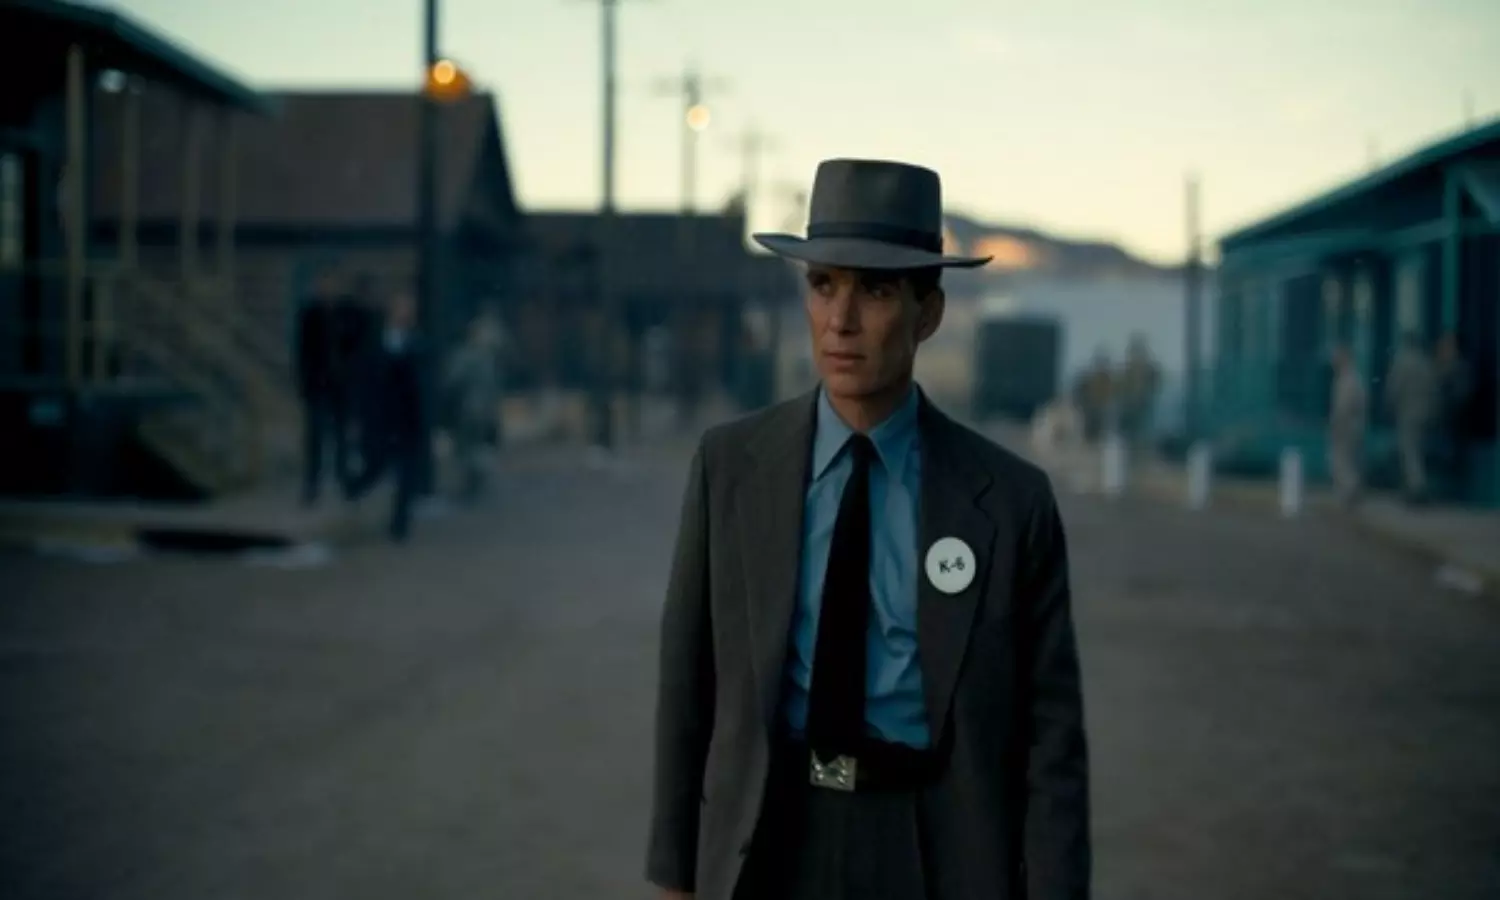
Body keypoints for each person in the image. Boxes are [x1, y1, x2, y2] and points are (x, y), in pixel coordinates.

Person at [646, 159, 1090, 900]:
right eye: (824, 285)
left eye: (876, 290)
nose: (841, 320)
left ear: (928, 313)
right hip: (767, 837)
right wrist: (675, 877)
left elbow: (1052, 741)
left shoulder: (1011, 502)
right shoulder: (731, 467)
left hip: (933, 846)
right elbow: (687, 682)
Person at [346, 291, 427, 542]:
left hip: (407, 420)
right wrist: (360, 416)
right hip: (380, 419)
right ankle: (353, 489)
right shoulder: (375, 343)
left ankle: (399, 525)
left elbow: (421, 385)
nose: (406, 314)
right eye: (402, 309)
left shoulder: (417, 343)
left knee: (407, 475)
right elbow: (363, 382)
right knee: (376, 465)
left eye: (409, 310)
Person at [294, 268, 352, 507]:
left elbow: (353, 347)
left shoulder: (345, 312)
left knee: (341, 435)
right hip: (317, 384)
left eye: (331, 284)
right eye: (323, 284)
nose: (327, 288)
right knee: (315, 436)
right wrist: (305, 381)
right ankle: (312, 483)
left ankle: (344, 479)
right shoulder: (310, 314)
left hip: (340, 385)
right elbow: (303, 352)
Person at [442, 311, 504, 501]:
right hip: (473, 410)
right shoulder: (474, 357)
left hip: (474, 410)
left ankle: (473, 484)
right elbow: (453, 382)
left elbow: (453, 381)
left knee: (472, 448)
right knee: (470, 447)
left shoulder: (480, 357)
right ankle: (472, 483)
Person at [1384, 332, 1437, 504]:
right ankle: (1417, 485)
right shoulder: (1425, 362)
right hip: (1424, 413)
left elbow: (1394, 388)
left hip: (1407, 412)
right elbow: (1433, 390)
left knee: (1409, 451)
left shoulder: (1403, 362)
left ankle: (1416, 487)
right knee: (1417, 450)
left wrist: (1389, 407)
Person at [1328, 345, 1367, 507]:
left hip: (1346, 426)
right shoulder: (1355, 378)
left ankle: (1350, 490)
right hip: (1353, 426)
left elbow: (1343, 408)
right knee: (1348, 460)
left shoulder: (1347, 379)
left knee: (1341, 460)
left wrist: (1335, 424)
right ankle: (1350, 490)